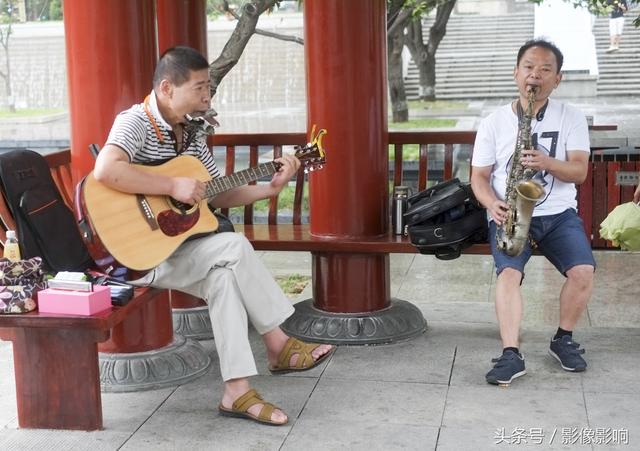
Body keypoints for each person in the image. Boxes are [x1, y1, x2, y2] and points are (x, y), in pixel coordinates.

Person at [93, 46, 334, 425]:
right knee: (235, 246)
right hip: (136, 254)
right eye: (200, 87)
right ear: (168, 88)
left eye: (209, 88)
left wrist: (270, 188)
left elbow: (217, 193)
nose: (208, 96)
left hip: (182, 250)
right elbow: (106, 171)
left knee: (224, 276)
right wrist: (172, 184)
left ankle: (236, 392)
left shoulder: (190, 134)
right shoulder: (135, 122)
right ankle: (278, 344)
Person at [471, 39, 595, 386]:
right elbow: (479, 177)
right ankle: (511, 353)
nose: (535, 76)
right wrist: (490, 202)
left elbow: (580, 173)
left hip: (557, 213)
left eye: (545, 69)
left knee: (583, 271)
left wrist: (547, 162)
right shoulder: (494, 122)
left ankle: (563, 339)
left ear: (558, 79)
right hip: (509, 213)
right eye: (528, 67)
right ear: (516, 73)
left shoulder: (570, 116)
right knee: (508, 275)